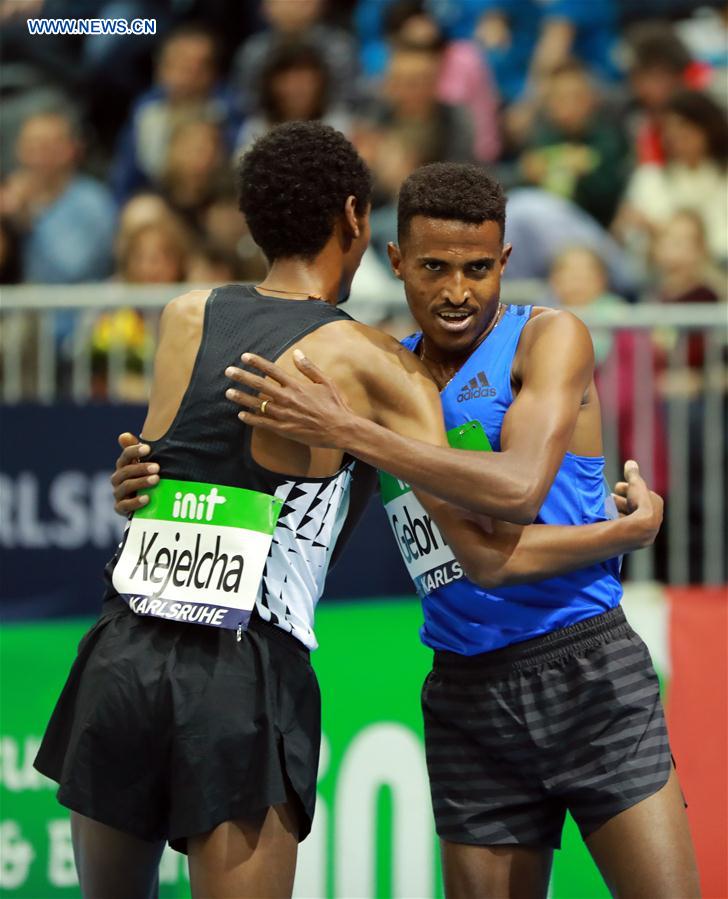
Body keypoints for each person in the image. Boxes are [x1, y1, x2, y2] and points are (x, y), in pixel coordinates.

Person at [108, 136, 671, 895]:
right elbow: (300, 524)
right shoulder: (381, 372)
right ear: (395, 260)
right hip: (466, 689)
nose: (457, 291)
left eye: (478, 268)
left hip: (587, 667)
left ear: (504, 260)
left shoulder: (546, 336)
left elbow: (513, 492)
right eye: (434, 267)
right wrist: (152, 483)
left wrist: (351, 432)